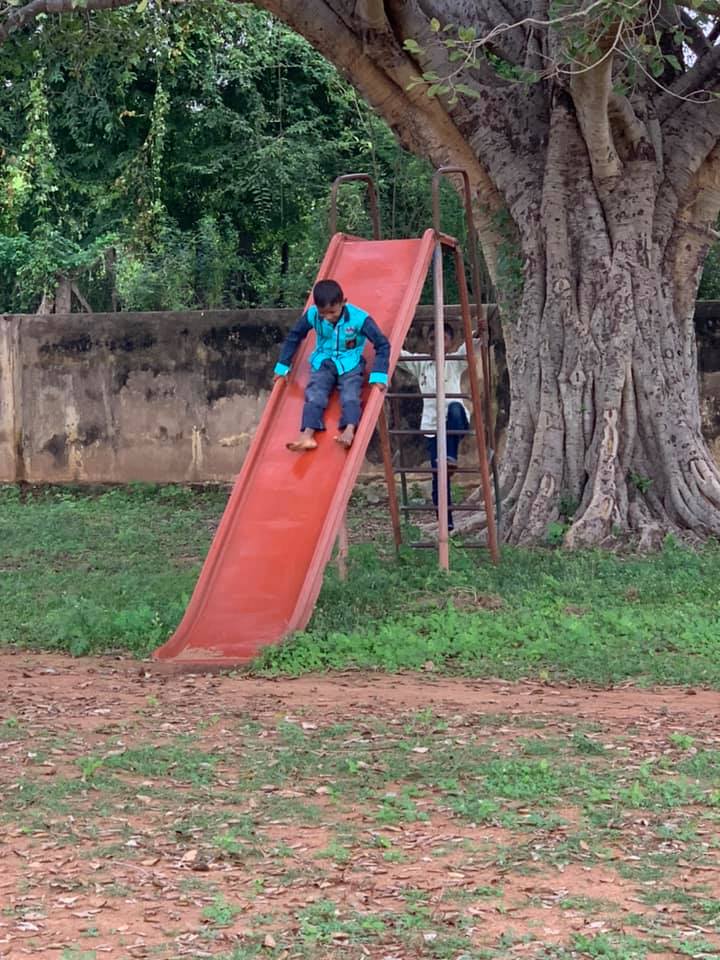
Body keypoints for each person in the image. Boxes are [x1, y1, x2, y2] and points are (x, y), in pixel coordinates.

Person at [274, 279, 390, 451]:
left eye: (332, 312)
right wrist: (282, 366)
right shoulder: (313, 315)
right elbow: (294, 335)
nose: (328, 317)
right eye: (323, 313)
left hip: (350, 363)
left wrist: (379, 374)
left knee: (350, 394)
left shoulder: (359, 319)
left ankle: (349, 430)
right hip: (324, 360)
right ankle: (307, 435)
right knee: (315, 392)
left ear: (343, 302)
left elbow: (382, 344)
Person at [398, 322, 479, 531]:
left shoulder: (454, 362)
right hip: (433, 429)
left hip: (455, 422)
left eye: (443, 339)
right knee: (438, 478)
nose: (437, 344)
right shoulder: (422, 364)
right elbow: (399, 355)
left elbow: (470, 346)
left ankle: (449, 457)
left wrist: (478, 331)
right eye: (433, 339)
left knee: (453, 407)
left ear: (450, 343)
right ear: (428, 342)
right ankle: (447, 525)